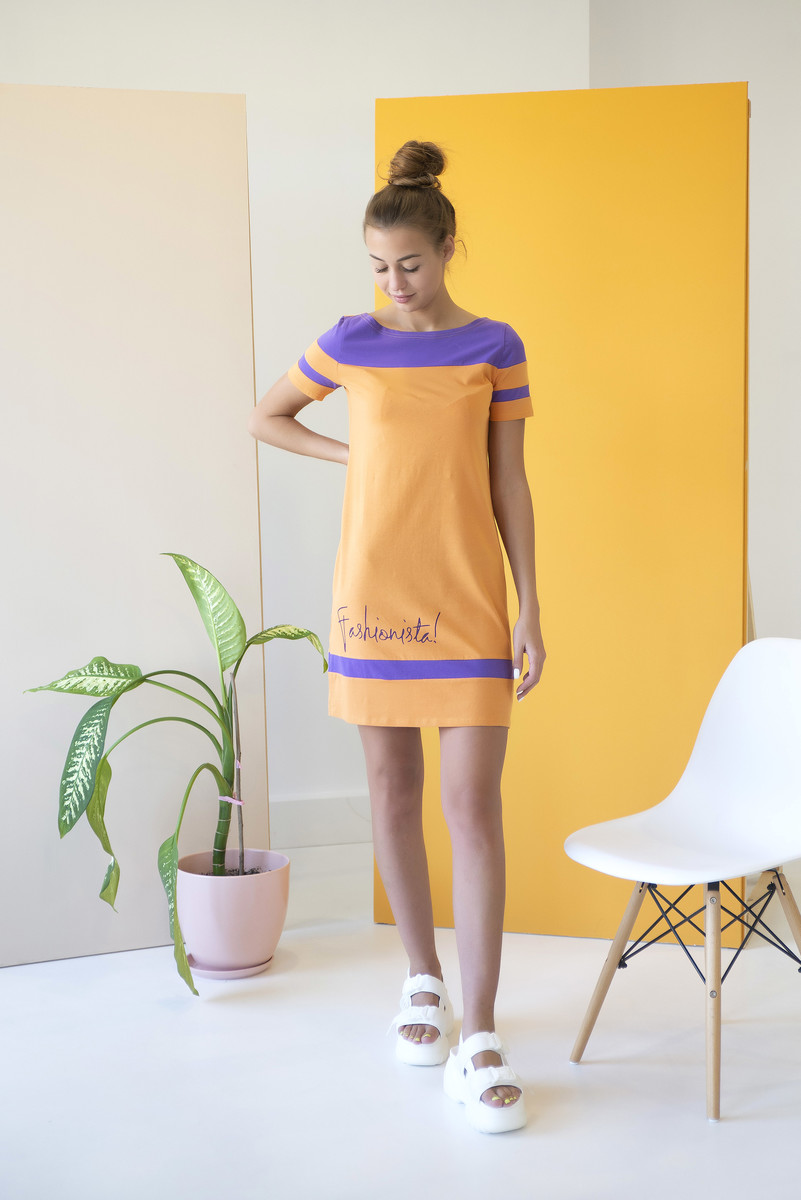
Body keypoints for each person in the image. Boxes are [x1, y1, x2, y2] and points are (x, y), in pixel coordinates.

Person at [248, 140, 545, 1134]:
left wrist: (530, 606)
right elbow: (268, 417)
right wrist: (356, 457)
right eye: (377, 266)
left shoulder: (495, 345)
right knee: (391, 791)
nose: (393, 284)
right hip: (371, 598)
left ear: (449, 249)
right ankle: (422, 980)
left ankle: (483, 1031)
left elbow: (509, 482)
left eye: (409, 264)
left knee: (472, 808)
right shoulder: (351, 340)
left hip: (467, 601)